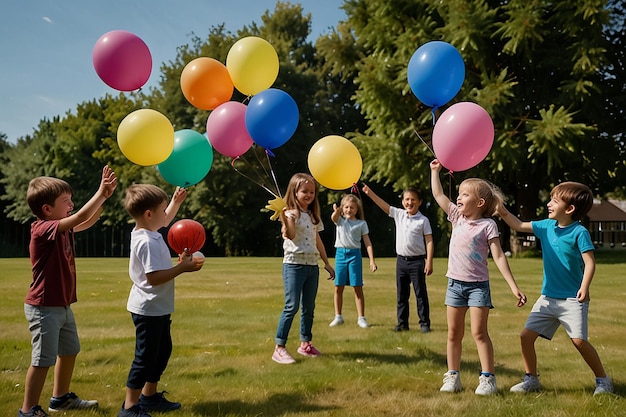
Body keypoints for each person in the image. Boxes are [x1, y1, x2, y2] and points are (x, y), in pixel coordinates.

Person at [497, 181, 614, 395]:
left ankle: (603, 380)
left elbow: (590, 263)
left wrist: (585, 287)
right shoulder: (545, 226)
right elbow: (518, 225)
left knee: (579, 341)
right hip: (548, 298)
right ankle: (531, 379)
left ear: (569, 209)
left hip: (572, 300)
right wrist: (503, 211)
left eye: (554, 200)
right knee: (525, 337)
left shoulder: (579, 232)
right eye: (550, 199)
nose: (548, 203)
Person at [19, 166, 117, 417]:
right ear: (47, 210)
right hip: (44, 307)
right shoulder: (42, 229)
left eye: (71, 200)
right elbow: (81, 216)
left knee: (70, 350)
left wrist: (103, 200)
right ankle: (28, 410)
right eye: (66, 201)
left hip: (61, 304)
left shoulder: (61, 229)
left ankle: (60, 399)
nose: (71, 204)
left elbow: (86, 219)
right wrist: (101, 194)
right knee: (42, 360)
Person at [430, 159, 526, 395]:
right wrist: (435, 172)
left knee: (479, 333)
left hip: (478, 288)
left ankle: (488, 379)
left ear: (480, 202)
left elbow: (499, 257)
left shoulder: (488, 225)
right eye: (459, 193)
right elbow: (439, 195)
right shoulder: (456, 217)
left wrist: (513, 286)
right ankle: (453, 376)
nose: (459, 198)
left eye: (464, 194)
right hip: (454, 285)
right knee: (454, 333)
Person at [119, 184, 205, 417]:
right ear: (149, 214)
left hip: (158, 307)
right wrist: (181, 268)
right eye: (163, 209)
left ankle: (148, 398)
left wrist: (175, 202)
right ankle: (129, 408)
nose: (166, 214)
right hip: (148, 309)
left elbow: (164, 220)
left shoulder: (150, 233)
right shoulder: (146, 241)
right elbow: (154, 277)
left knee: (162, 351)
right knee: (145, 358)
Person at [272, 173, 335, 364]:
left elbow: (318, 241)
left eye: (312, 192)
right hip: (294, 266)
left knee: (309, 307)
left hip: (312, 267)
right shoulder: (291, 213)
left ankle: (305, 344)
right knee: (291, 306)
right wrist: (286, 217)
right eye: (304, 191)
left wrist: (326, 263)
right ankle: (279, 347)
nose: (309, 194)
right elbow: (290, 235)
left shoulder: (313, 216)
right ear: (294, 192)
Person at [362, 183, 434, 333]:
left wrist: (429, 261)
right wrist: (369, 193)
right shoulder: (399, 214)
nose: (409, 202)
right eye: (407, 199)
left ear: (420, 202)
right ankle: (402, 323)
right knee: (402, 295)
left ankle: (424, 324)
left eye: (413, 199)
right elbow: (384, 206)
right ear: (402, 202)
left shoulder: (423, 220)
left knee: (420, 294)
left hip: (417, 262)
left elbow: (429, 241)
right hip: (401, 261)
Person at [329, 194, 377, 329]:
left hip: (355, 255)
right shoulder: (340, 220)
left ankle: (361, 317)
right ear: (342, 208)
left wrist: (372, 261)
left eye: (352, 207)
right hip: (340, 254)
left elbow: (367, 242)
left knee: (357, 286)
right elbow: (333, 218)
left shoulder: (361, 223)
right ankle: (338, 316)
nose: (349, 210)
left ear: (357, 209)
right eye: (346, 207)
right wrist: (337, 212)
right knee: (338, 286)